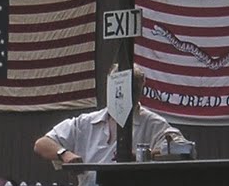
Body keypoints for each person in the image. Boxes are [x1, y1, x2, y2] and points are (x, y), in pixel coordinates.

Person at [33, 66, 187, 166]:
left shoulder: (152, 124)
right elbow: (42, 143)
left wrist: (144, 155)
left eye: (132, 89)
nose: (123, 94)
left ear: (139, 90)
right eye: (118, 88)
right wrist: (64, 154)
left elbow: (184, 149)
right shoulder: (85, 123)